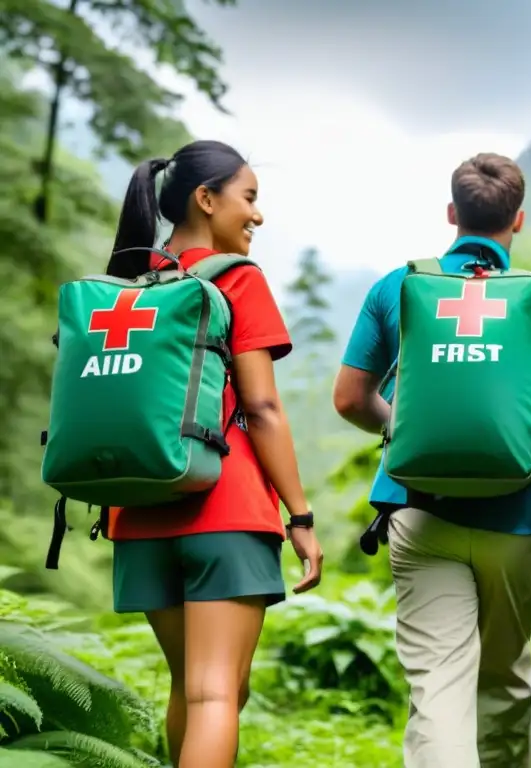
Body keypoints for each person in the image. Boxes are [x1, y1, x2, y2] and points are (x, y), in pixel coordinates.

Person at [333, 152, 531, 768]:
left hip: (421, 511)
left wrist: (406, 427)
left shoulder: (399, 286)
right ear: (517, 220)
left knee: (439, 688)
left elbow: (349, 398)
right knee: (504, 680)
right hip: (518, 515)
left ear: (452, 213)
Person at [105, 140, 324, 768]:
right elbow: (262, 409)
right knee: (215, 694)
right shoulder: (235, 278)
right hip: (223, 510)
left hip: (138, 514)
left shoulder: (127, 282)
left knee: (194, 688)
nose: (257, 216)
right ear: (207, 199)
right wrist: (301, 516)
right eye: (249, 198)